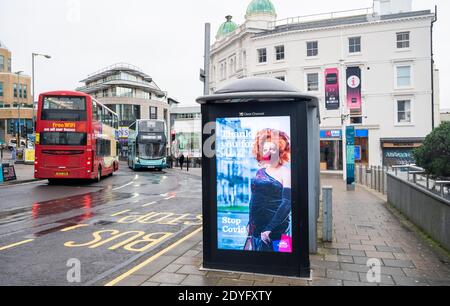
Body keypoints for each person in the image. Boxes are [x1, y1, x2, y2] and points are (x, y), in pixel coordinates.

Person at [246, 129, 292, 252]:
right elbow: (253, 199)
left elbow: (287, 203)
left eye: (272, 149)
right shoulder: (260, 172)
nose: (268, 152)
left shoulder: (285, 172)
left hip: (278, 229)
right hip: (256, 229)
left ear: (280, 151)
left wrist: (269, 229)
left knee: (283, 259)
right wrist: (250, 223)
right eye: (265, 150)